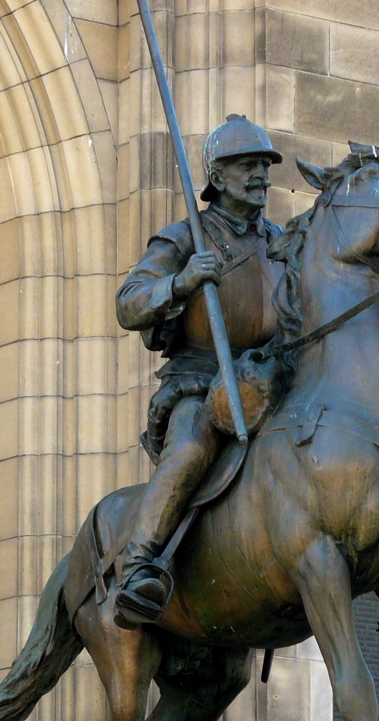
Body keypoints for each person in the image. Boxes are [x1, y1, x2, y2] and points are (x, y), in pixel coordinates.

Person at [113, 115, 285, 627]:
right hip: (202, 379)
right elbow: (129, 303)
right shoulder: (187, 235)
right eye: (248, 165)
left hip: (271, 378)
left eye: (265, 166)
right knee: (189, 448)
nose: (260, 176)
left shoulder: (280, 240)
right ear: (219, 174)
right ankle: (138, 564)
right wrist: (181, 282)